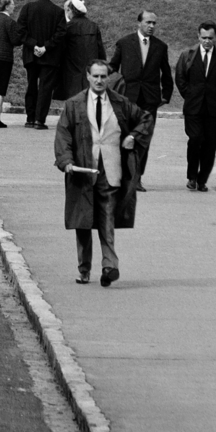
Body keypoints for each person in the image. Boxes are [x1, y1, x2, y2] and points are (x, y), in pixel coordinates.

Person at [54, 59, 144, 287]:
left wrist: (133, 136)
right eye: (95, 76)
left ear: (108, 78)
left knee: (107, 219)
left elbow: (145, 118)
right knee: (83, 222)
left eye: (103, 76)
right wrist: (66, 161)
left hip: (110, 170)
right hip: (82, 171)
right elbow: (63, 135)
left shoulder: (120, 103)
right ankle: (84, 269)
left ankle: (109, 266)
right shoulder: (74, 105)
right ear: (87, 76)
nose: (99, 80)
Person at [108, 10, 174, 189]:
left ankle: (136, 178)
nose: (151, 26)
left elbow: (166, 73)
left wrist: (166, 95)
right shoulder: (124, 43)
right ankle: (122, 176)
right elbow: (113, 67)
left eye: (154, 23)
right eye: (148, 22)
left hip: (149, 100)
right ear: (139, 23)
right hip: (127, 98)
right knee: (125, 135)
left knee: (143, 138)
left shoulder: (160, 46)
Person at [174, 19, 216, 191]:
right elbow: (180, 78)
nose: (207, 41)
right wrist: (190, 94)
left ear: (215, 37)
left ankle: (202, 180)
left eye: (210, 38)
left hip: (213, 109)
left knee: (210, 144)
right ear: (198, 36)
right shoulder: (187, 55)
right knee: (195, 139)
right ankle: (192, 176)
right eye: (204, 38)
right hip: (193, 107)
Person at [15, 0, 65, 129]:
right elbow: (60, 34)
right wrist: (45, 47)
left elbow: (21, 31)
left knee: (31, 85)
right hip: (50, 57)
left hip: (31, 54)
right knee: (45, 88)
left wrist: (34, 45)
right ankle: (39, 120)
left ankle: (30, 118)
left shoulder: (28, 8)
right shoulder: (58, 12)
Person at [55, 0, 106, 101]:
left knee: (73, 100)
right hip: (90, 68)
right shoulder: (93, 26)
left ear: (70, 10)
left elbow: (60, 49)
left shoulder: (68, 26)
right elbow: (100, 49)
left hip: (71, 69)